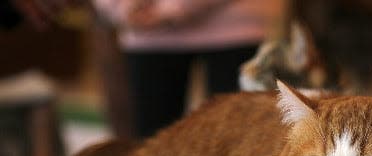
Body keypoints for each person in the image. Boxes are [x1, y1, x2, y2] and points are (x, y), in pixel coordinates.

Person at [93, 0, 284, 137]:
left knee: (239, 143)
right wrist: (119, 6)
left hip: (237, 28)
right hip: (145, 33)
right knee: (150, 150)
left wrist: (173, 7)